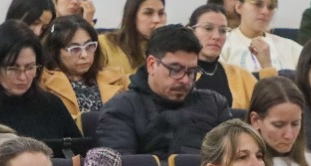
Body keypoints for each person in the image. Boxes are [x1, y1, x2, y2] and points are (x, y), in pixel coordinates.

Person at [97, 25, 232, 156]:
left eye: (191, 71)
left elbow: (233, 159)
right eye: (176, 70)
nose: (185, 80)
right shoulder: (121, 109)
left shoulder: (215, 104)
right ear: (151, 65)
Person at [0, 19, 81, 143]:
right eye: (13, 68)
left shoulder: (52, 105)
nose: (23, 77)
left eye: (30, 67)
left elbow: (80, 149)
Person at [41, 14, 123, 119]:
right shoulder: (43, 81)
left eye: (89, 46)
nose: (84, 55)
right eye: (75, 49)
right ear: (55, 51)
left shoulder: (117, 77)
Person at [223, 0, 305, 72]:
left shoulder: (289, 48)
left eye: (271, 7)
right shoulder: (223, 43)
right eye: (257, 4)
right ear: (239, 7)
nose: (265, 11)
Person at [189, 4, 260, 110]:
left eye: (222, 31)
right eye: (208, 28)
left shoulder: (241, 75)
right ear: (191, 32)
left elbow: (267, 107)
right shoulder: (177, 73)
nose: (216, 36)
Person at [99, 0, 167, 83]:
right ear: (132, 16)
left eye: (161, 13)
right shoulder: (105, 43)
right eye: (148, 13)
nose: (157, 20)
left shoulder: (168, 50)